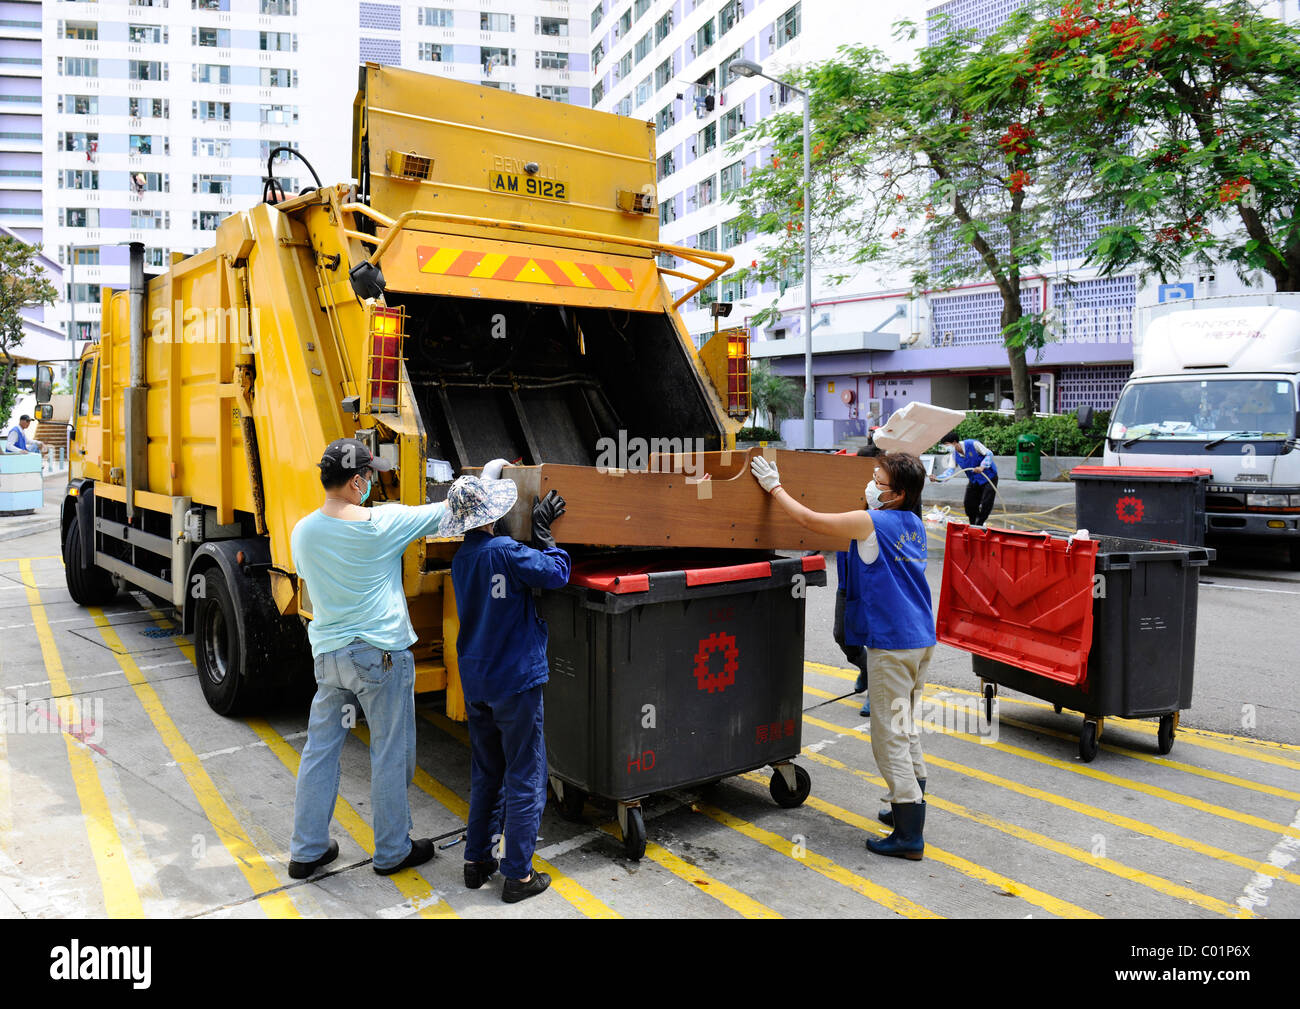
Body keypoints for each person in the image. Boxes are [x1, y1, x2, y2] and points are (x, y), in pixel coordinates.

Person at [752, 450, 935, 860]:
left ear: (896, 494)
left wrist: (774, 487)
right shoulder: (914, 524)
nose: (871, 484)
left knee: (887, 736)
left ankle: (909, 835)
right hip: (921, 638)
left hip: (893, 643)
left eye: (879, 480)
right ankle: (907, 808)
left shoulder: (874, 523)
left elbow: (810, 522)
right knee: (905, 727)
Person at [287, 438, 449, 879]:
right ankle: (392, 850)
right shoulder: (381, 524)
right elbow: (451, 512)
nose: (374, 483)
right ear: (357, 481)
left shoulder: (302, 530)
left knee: (320, 751)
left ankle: (307, 850)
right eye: (371, 476)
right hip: (379, 659)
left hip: (329, 659)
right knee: (389, 752)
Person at [446, 467, 570, 904]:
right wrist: (545, 535)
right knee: (525, 774)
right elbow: (555, 574)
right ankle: (517, 875)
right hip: (515, 682)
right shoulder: (505, 552)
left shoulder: (463, 559)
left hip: (478, 682)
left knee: (487, 772)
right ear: (488, 516)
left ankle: (476, 861)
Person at [835, 443, 878, 716]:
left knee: (876, 640)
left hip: (874, 585)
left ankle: (877, 688)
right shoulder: (843, 496)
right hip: (847, 581)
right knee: (843, 636)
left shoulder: (883, 502)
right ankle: (864, 667)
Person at [930, 430, 998, 526]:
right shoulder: (954, 455)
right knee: (969, 504)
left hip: (989, 477)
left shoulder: (972, 444)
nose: (946, 447)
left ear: (954, 442)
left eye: (946, 444)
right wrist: (937, 478)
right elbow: (950, 471)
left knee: (986, 503)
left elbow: (989, 454)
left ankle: (979, 524)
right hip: (974, 480)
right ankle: (973, 523)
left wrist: (982, 466)